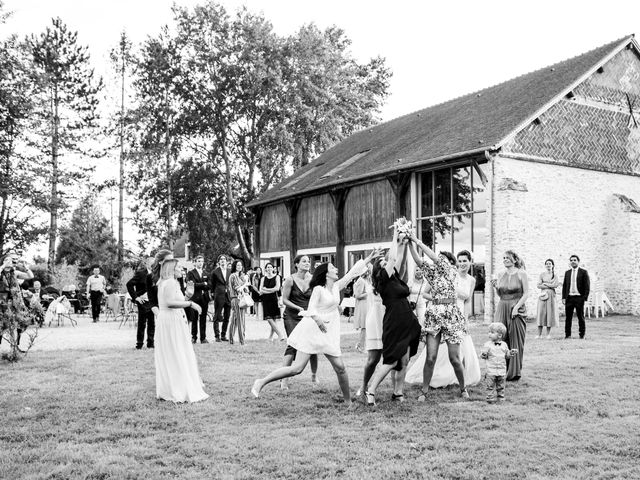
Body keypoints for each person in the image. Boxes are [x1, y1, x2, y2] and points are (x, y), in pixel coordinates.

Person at [252, 249, 381, 406]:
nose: (336, 269)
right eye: (333, 268)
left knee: (340, 367)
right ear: (326, 274)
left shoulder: (336, 286)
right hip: (312, 330)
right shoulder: (318, 289)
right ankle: (261, 382)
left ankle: (348, 402)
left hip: (328, 332)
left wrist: (369, 258)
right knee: (297, 368)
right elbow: (311, 308)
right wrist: (318, 320)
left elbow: (352, 273)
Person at [405, 230, 470, 400]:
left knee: (454, 358)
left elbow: (433, 257)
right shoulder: (432, 275)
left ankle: (463, 389)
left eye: (442, 259)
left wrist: (416, 240)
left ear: (449, 262)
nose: (439, 261)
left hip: (451, 315)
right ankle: (424, 391)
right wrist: (409, 243)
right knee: (430, 356)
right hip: (434, 315)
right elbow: (419, 261)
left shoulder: (451, 272)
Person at [365, 226, 422, 406]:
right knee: (391, 360)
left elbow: (401, 261)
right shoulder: (383, 278)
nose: (385, 261)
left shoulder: (395, 277)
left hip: (407, 319)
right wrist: (395, 237)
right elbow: (393, 258)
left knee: (404, 360)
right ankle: (371, 391)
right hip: (395, 321)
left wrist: (404, 244)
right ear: (377, 268)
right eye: (381, 261)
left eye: (385, 260)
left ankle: (398, 392)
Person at [154, 258, 208, 403]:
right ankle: (179, 389)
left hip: (168, 319)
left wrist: (187, 295)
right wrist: (191, 303)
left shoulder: (167, 282)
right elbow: (170, 303)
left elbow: (176, 300)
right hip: (171, 320)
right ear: (171, 269)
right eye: (179, 267)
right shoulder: (170, 282)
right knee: (177, 352)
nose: (182, 270)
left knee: (172, 353)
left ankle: (172, 388)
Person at [280, 254, 318, 389]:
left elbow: (317, 297)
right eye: (304, 261)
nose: (307, 263)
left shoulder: (313, 279)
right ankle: (284, 380)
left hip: (307, 317)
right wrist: (297, 307)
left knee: (312, 346)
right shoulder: (290, 279)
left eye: (308, 261)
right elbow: (284, 300)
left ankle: (314, 376)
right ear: (296, 264)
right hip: (292, 316)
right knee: (293, 344)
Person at [491, 250, 529, 381]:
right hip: (502, 306)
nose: (505, 260)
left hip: (516, 307)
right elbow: (501, 295)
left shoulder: (521, 273)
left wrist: (517, 307)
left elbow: (526, 293)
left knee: (515, 339)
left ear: (515, 259)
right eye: (504, 258)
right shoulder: (501, 274)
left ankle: (514, 373)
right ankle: (501, 370)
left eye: (508, 258)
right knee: (499, 337)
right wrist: (496, 287)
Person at [0, 252, 34, 354]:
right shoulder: (1, 271)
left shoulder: (15, 273)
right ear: (5, 260)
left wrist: (25, 267)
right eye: (12, 259)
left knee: (17, 324)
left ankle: (15, 347)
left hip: (14, 302)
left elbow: (30, 276)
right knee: (1, 325)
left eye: (15, 260)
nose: (14, 262)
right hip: (2, 302)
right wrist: (4, 265)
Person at [480, 323, 518, 403]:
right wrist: (484, 354)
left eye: (492, 332)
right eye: (489, 332)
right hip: (491, 370)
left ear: (500, 335)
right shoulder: (487, 345)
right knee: (490, 385)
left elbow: (506, 356)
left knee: (501, 385)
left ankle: (501, 398)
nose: (489, 334)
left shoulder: (504, 345)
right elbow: (483, 356)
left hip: (501, 370)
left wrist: (510, 353)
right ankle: (490, 398)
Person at [126, 257, 155, 350]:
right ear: (146, 264)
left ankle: (150, 343)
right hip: (142, 301)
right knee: (142, 322)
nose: (153, 265)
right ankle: (139, 343)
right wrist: (136, 297)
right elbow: (129, 284)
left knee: (152, 322)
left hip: (152, 301)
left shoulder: (156, 274)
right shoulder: (141, 273)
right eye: (151, 263)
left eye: (154, 263)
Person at [562, 255, 590, 339]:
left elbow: (587, 286)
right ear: (570, 262)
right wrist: (564, 297)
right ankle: (567, 335)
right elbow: (565, 286)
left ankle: (582, 335)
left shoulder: (583, 272)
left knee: (580, 317)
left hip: (579, 298)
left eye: (575, 260)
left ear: (578, 261)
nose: (573, 261)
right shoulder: (567, 272)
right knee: (568, 318)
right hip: (569, 298)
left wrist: (584, 298)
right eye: (571, 260)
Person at [187, 255, 211, 344]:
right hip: (195, 298)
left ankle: (203, 338)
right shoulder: (191, 273)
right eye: (199, 261)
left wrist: (202, 284)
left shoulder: (206, 273)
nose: (200, 263)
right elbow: (192, 284)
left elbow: (209, 285)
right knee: (194, 318)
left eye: (202, 261)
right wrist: (203, 284)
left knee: (203, 318)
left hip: (204, 299)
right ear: (195, 262)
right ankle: (194, 337)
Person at [259, 263, 284, 341]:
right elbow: (260, 290)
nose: (269, 268)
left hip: (274, 299)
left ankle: (271, 337)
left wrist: (266, 289)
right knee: (269, 318)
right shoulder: (263, 278)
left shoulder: (277, 277)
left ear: (273, 269)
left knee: (273, 318)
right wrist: (270, 290)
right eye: (267, 267)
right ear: (265, 269)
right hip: (265, 300)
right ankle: (280, 334)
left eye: (270, 267)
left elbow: (277, 288)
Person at [209, 254, 231, 342]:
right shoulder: (215, 272)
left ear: (227, 261)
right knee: (217, 316)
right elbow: (212, 284)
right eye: (221, 259)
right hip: (219, 295)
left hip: (228, 296)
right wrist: (213, 294)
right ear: (219, 261)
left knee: (227, 316)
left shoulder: (230, 271)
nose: (223, 261)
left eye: (224, 259)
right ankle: (217, 336)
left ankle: (223, 335)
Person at [536, 259, 560, 339]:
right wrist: (549, 285)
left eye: (550, 264)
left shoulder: (555, 275)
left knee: (549, 314)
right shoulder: (542, 274)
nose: (548, 265)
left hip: (551, 296)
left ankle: (548, 334)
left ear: (553, 265)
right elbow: (539, 285)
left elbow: (556, 285)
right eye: (547, 264)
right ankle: (539, 334)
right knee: (541, 313)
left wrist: (545, 284)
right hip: (543, 295)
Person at [228, 259, 249, 345]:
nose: (240, 267)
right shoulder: (233, 276)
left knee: (235, 320)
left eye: (241, 265)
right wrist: (246, 282)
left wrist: (245, 285)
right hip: (236, 299)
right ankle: (242, 341)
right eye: (238, 265)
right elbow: (238, 289)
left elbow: (245, 289)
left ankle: (231, 340)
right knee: (239, 321)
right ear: (234, 267)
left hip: (241, 299)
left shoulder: (240, 276)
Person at [352, 268, 370, 352]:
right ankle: (361, 346)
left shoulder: (365, 280)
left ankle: (362, 344)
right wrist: (369, 293)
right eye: (367, 270)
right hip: (363, 305)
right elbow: (357, 295)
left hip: (367, 304)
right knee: (364, 326)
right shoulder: (361, 281)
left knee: (367, 326)